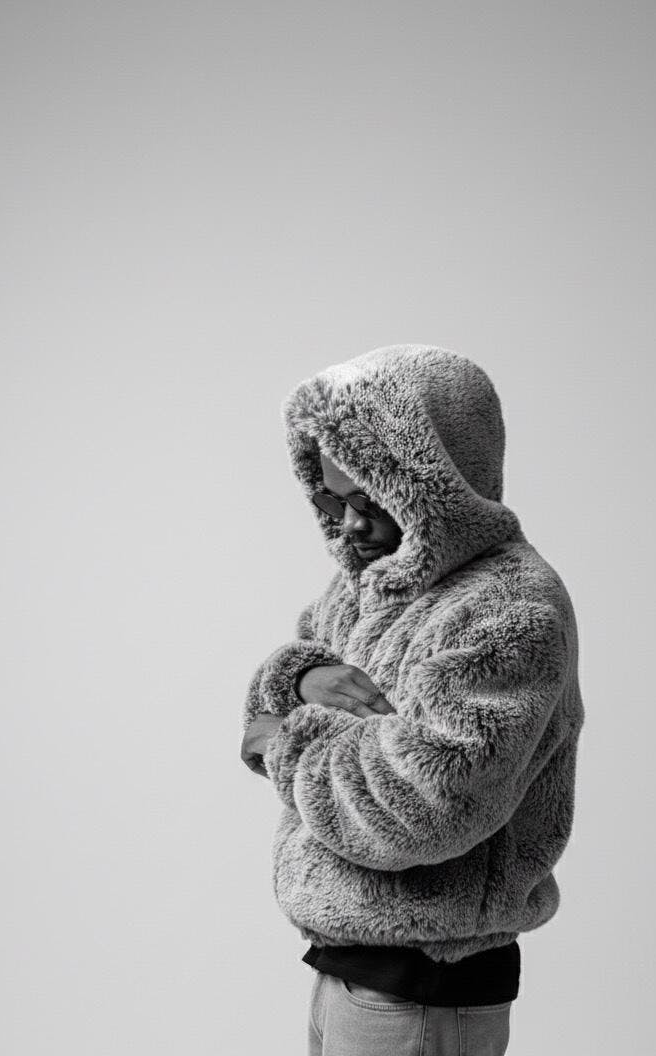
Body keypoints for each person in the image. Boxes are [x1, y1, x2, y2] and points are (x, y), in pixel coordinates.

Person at [240, 344, 585, 1056]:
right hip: (349, 971)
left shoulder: (509, 608)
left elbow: (418, 808)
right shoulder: (371, 585)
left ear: (436, 481)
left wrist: (287, 740)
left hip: (425, 989)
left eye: (371, 500)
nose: (348, 526)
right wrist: (303, 680)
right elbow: (270, 701)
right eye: (331, 500)